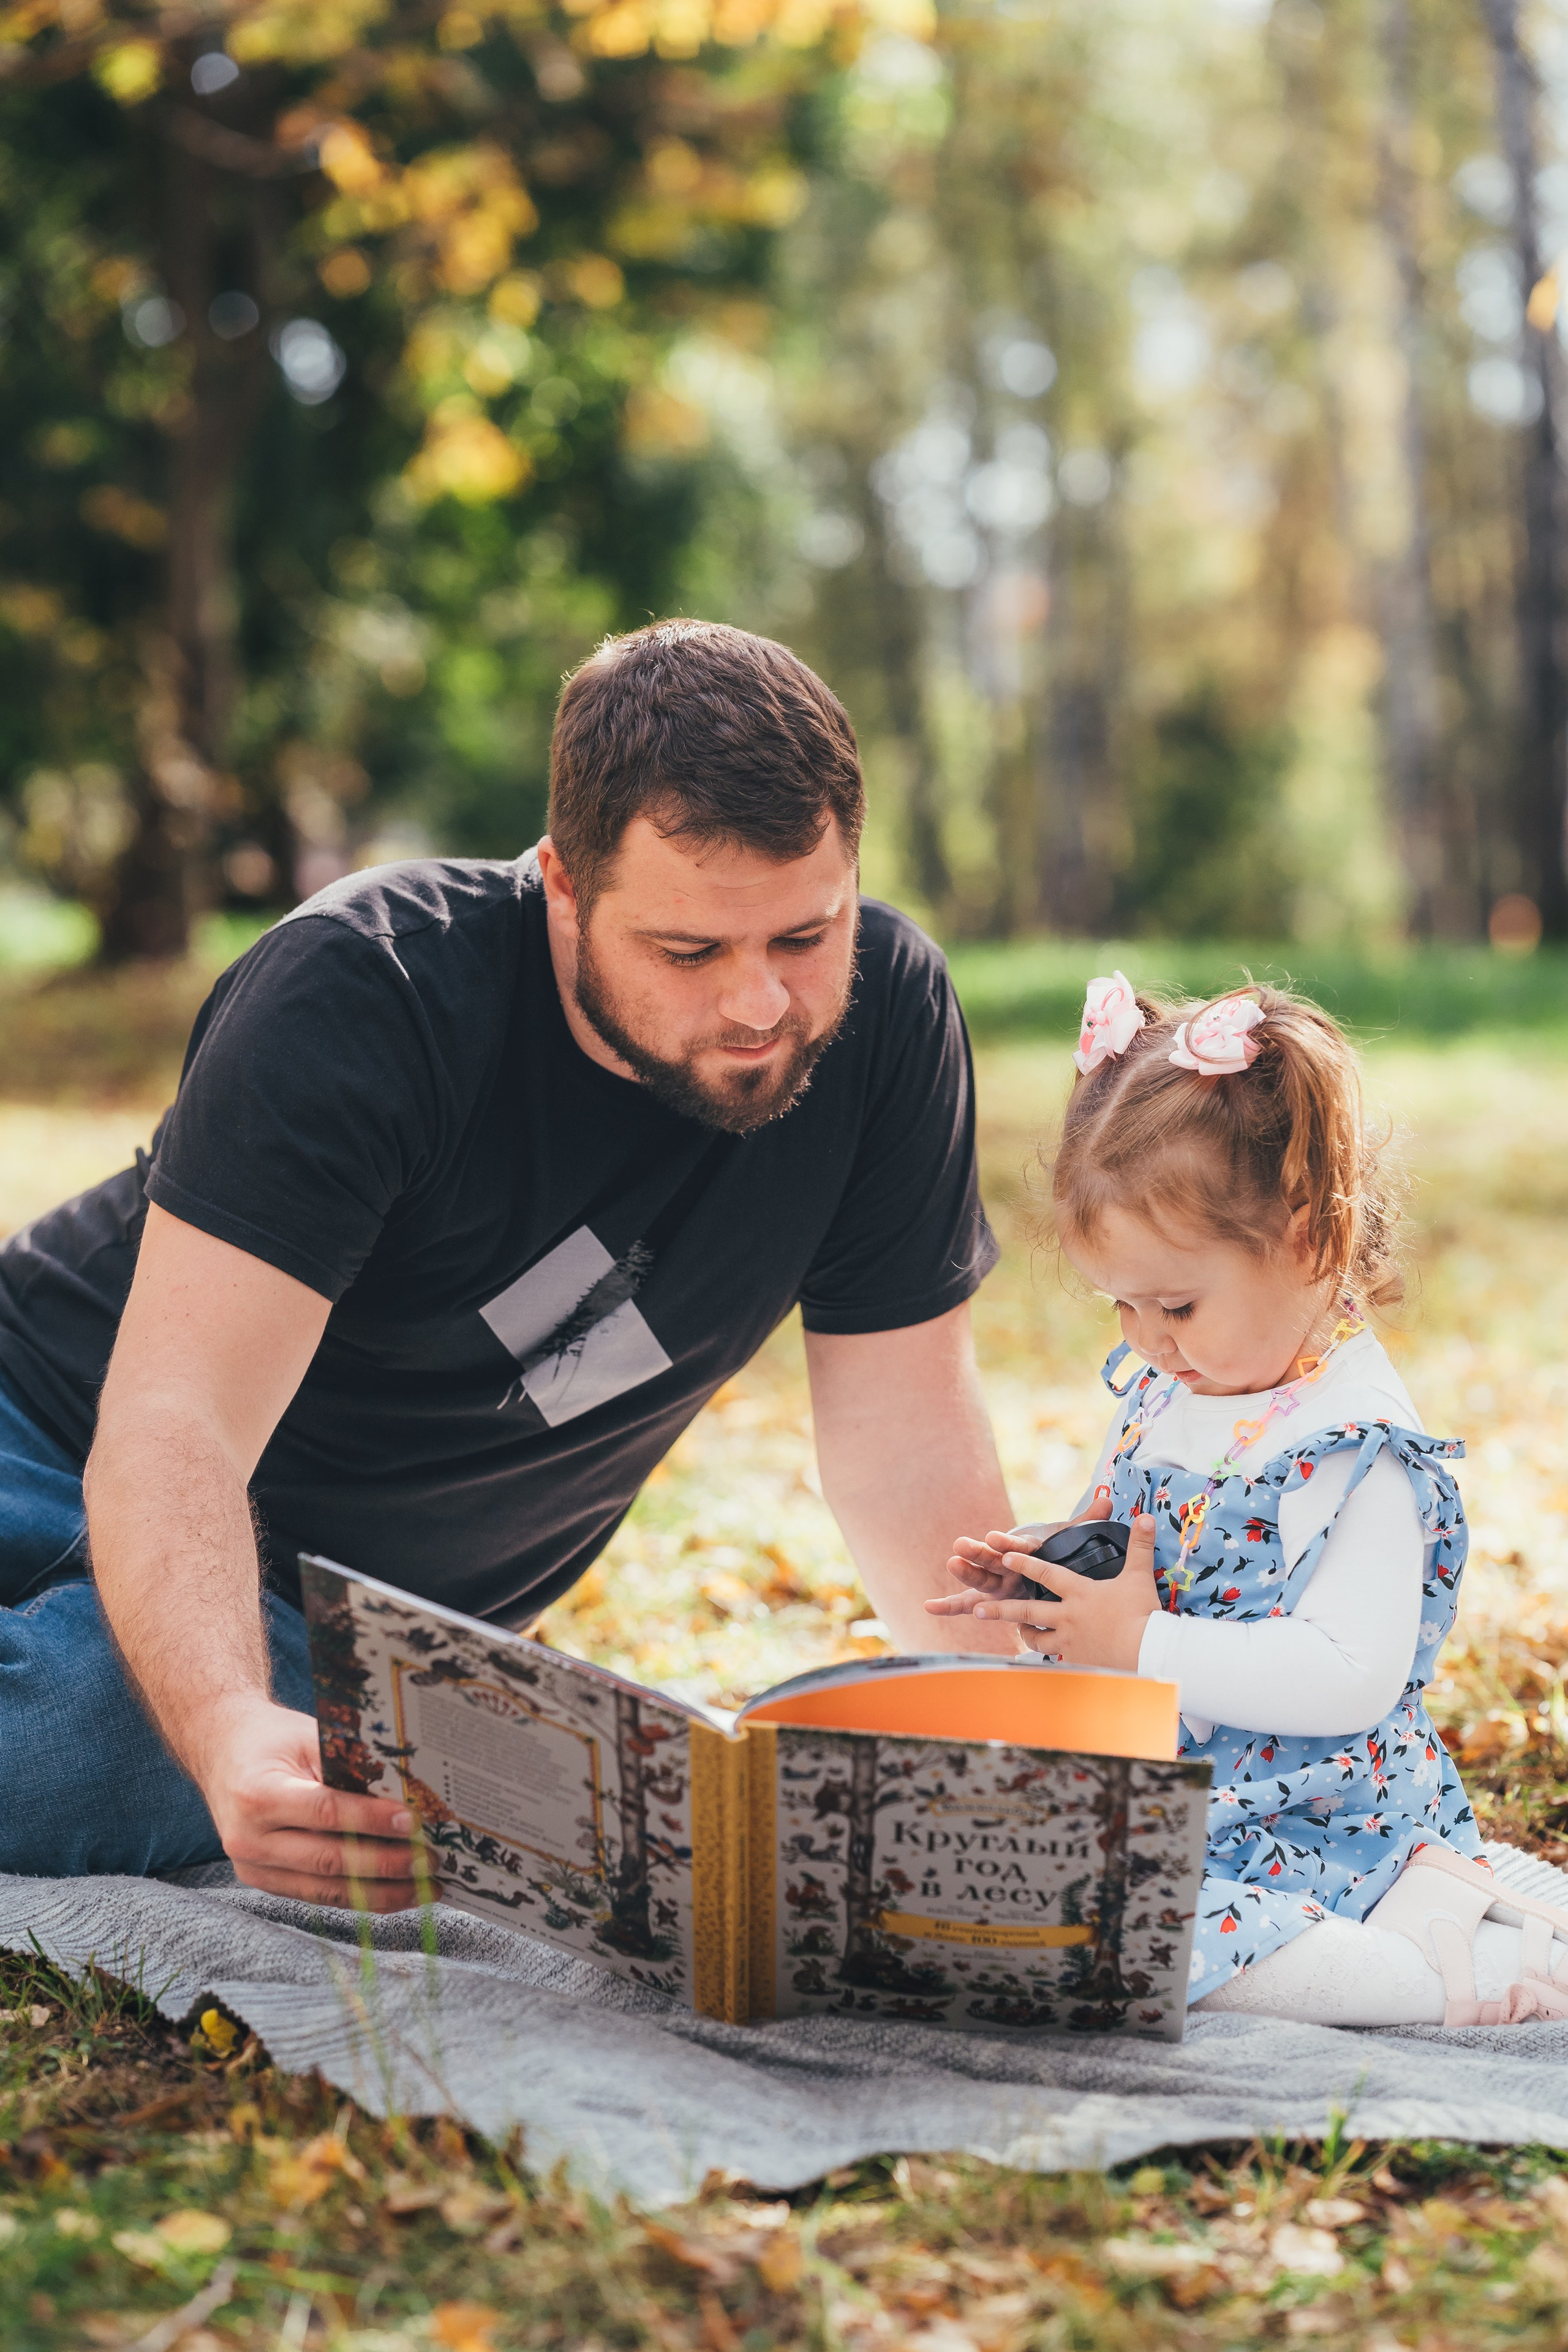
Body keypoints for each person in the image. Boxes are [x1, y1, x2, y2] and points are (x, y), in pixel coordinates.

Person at [0, 620, 1017, 1906]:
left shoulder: (889, 1029)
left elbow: (906, 1449)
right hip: (35, 1423)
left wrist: (1027, 1754)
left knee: (88, 1757)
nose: (760, 1004)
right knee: (186, 1728)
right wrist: (218, 1720)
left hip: (341, 1622)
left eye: (803, 936)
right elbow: (175, 1419)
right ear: (561, 885)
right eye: (690, 952)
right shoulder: (366, 991)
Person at [928, 973, 1568, 2027]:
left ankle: (1422, 1978)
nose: (1145, 1337)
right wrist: (1055, 1569)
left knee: (1156, 1925)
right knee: (999, 1863)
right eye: (1120, 1304)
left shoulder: (1352, 1452)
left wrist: (1145, 1647)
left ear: (1312, 1242)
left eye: (1175, 1303)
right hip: (1165, 1785)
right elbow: (1140, 1551)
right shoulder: (1167, 1385)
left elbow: (1350, 1678)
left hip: (1316, 1821)